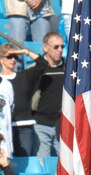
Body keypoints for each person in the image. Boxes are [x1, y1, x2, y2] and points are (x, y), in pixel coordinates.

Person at [0, 43, 47, 157]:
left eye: (15, 57)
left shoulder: (24, 76)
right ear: (1, 60)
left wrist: (25, 52)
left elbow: (43, 64)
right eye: (9, 56)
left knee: (25, 160)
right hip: (3, 127)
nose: (13, 60)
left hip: (24, 126)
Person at [33, 32, 65, 162]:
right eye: (56, 47)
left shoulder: (69, 69)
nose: (60, 50)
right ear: (45, 48)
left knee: (66, 165)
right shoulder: (35, 70)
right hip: (40, 124)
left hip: (62, 125)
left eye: (62, 47)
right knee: (42, 164)